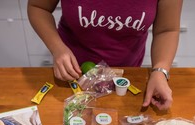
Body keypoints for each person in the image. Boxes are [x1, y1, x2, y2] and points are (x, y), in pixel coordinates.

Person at [27, 0, 183, 110]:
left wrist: (160, 71)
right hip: (71, 73)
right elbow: (38, 7)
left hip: (125, 74)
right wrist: (57, 48)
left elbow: (167, 30)